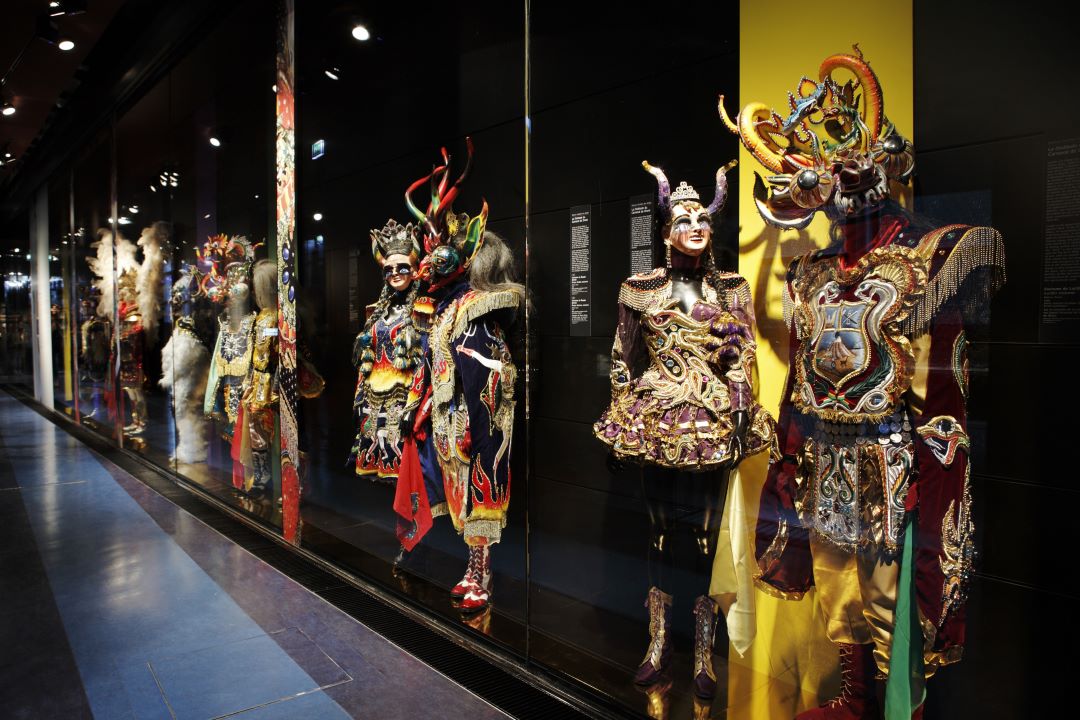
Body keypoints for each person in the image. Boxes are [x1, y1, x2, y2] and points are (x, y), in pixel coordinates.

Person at [722, 47, 1006, 718]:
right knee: (835, 588)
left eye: (856, 150)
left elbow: (943, 397)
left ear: (888, 160)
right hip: (826, 458)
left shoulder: (927, 258)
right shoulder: (813, 273)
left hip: (889, 461)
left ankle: (891, 702)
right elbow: (798, 379)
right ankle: (854, 694)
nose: (844, 171)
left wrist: (933, 480)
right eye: (830, 159)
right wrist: (789, 457)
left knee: (885, 594)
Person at [594, 160, 776, 698]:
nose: (695, 226)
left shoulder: (733, 291)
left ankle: (702, 649)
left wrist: (742, 408)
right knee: (656, 530)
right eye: (684, 219)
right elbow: (623, 358)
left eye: (703, 219)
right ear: (666, 229)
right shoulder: (640, 289)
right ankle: (657, 643)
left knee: (705, 535)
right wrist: (620, 420)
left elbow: (743, 354)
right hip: (654, 416)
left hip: (714, 418)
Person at [403, 139, 523, 613]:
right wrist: (421, 405)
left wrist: (478, 421)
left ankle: (480, 569)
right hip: (448, 415)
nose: (428, 263)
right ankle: (471, 564)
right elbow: (435, 364)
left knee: (479, 490)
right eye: (427, 254)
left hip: (475, 418)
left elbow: (484, 368)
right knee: (456, 491)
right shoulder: (446, 308)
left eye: (440, 254)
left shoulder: (476, 307)